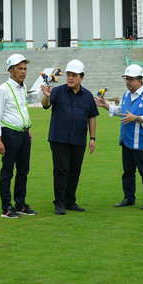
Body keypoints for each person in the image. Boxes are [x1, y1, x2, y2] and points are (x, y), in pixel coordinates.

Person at [40, 59, 99, 215]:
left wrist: (92, 138)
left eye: (74, 75)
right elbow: (45, 105)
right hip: (59, 138)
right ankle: (59, 202)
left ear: (82, 77)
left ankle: (70, 201)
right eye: (68, 75)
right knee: (61, 170)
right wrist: (46, 95)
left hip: (78, 139)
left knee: (75, 171)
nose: (70, 78)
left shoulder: (87, 96)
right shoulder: (58, 91)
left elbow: (92, 117)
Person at [95, 64, 143, 210]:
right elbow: (120, 111)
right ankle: (129, 198)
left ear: (140, 80)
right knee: (127, 172)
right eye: (126, 79)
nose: (128, 82)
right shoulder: (126, 95)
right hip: (126, 140)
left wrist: (136, 118)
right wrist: (105, 105)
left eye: (131, 79)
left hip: (141, 142)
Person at [0, 54, 37, 219]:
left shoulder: (23, 87)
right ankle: (6, 207)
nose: (23, 72)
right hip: (9, 135)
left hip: (23, 134)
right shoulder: (2, 90)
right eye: (19, 69)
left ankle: (21, 204)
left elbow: (22, 109)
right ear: (11, 71)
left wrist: (27, 128)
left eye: (25, 68)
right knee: (8, 171)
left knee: (23, 170)